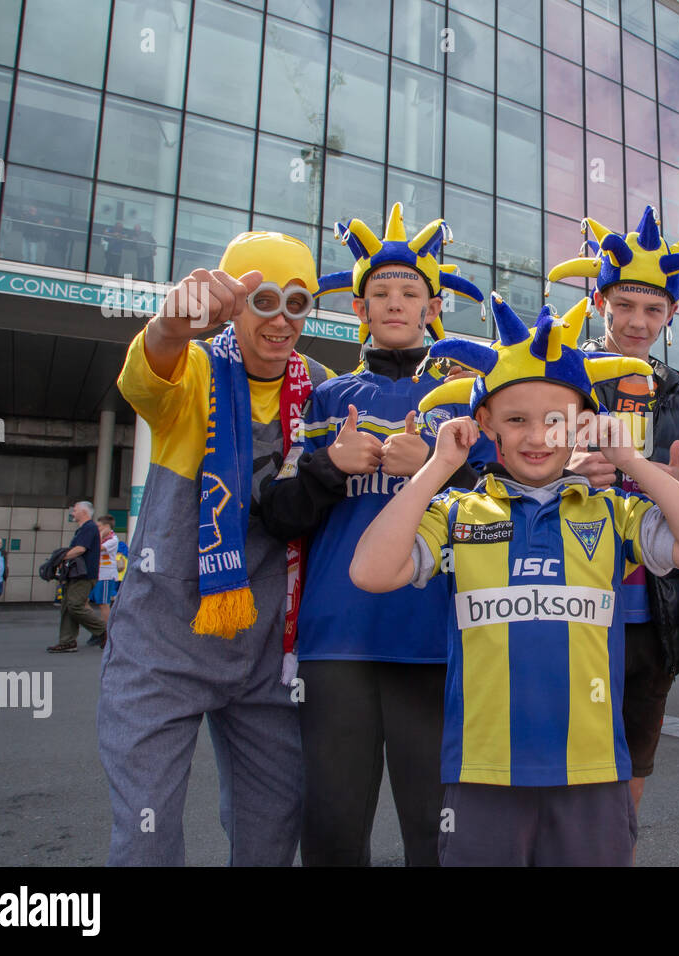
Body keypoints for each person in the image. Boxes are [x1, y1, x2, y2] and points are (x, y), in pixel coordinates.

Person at [349, 293, 679, 866]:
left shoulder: (608, 513)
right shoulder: (460, 513)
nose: (536, 436)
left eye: (556, 422)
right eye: (515, 420)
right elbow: (371, 571)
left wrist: (630, 463)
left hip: (594, 773)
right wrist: (437, 467)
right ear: (486, 427)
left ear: (582, 426)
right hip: (482, 775)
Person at [259, 203, 493, 867]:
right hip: (339, 643)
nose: (395, 304)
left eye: (409, 293)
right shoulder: (325, 399)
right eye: (381, 294)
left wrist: (436, 469)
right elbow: (278, 515)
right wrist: (328, 467)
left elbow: (503, 514)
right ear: (359, 309)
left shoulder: (468, 397)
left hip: (437, 638)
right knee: (333, 831)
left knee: (437, 831)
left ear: (432, 305)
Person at [98, 231, 332, 866]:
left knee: (271, 834)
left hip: (267, 658)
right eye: (262, 300)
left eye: (297, 302)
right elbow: (147, 375)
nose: (282, 320)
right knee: (146, 841)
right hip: (162, 646)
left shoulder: (321, 391)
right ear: (232, 305)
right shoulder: (196, 368)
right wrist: (172, 324)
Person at [547, 203, 679, 817]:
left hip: (651, 613)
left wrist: (675, 493)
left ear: (672, 314)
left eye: (653, 309)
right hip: (567, 605)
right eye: (623, 305)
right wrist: (565, 470)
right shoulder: (559, 379)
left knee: (631, 770)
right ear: (600, 304)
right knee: (560, 771)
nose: (637, 321)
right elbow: (507, 474)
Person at [48, 502, 107, 652]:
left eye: (75, 511)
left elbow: (80, 549)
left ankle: (105, 631)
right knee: (67, 606)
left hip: (84, 575)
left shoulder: (89, 528)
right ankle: (67, 641)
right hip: (76, 574)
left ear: (84, 512)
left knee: (75, 605)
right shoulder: (83, 529)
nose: (72, 513)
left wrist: (60, 557)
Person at [89, 515, 120, 631]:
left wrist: (100, 535)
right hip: (96, 574)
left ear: (107, 527)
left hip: (106, 575)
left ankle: (106, 630)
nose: (98, 529)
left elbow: (98, 548)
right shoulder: (102, 538)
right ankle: (97, 626)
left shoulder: (113, 539)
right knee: (85, 601)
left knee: (103, 603)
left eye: (99, 526)